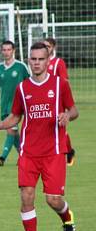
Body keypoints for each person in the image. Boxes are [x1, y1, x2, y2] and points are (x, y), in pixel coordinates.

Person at [0, 42, 78, 231]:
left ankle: (67, 219)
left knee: (52, 200)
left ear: (48, 61)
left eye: (41, 59)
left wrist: (67, 115)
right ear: (29, 60)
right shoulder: (23, 87)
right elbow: (16, 116)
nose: (36, 63)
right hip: (28, 152)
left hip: (54, 151)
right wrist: (0, 125)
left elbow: (73, 110)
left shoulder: (60, 85)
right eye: (33, 59)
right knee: (26, 196)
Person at [43, 38, 76, 166]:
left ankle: (68, 152)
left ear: (53, 48)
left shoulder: (58, 62)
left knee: (60, 127)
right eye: (44, 46)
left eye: (49, 46)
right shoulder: (41, 62)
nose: (46, 48)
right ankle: (67, 151)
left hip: (57, 101)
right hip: (44, 101)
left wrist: (66, 101)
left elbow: (64, 82)